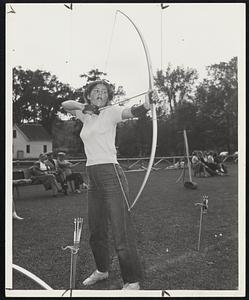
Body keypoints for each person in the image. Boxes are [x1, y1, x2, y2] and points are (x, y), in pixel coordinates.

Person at [62, 80, 158, 290]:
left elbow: (133, 111)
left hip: (111, 174)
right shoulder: (84, 114)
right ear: (88, 95)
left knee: (120, 230)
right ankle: (102, 270)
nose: (100, 93)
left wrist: (147, 104)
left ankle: (132, 281)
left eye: (104, 92)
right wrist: (82, 107)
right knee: (96, 229)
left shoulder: (111, 112)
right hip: (92, 175)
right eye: (96, 90)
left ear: (108, 97)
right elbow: (65, 104)